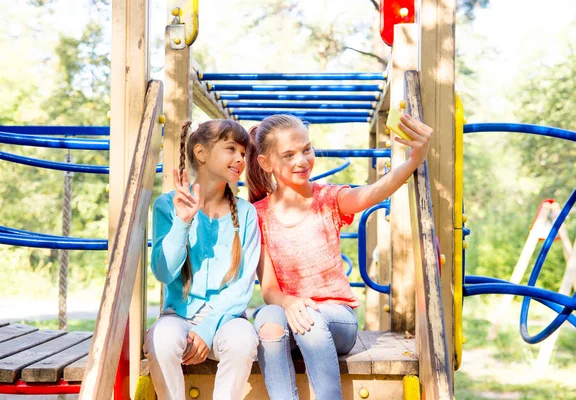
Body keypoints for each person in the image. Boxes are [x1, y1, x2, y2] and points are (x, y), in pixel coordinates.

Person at [246, 113, 433, 399]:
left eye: (306, 150)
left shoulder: (329, 200)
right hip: (290, 314)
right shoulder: (258, 216)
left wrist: (413, 160)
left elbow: (372, 192)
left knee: (310, 320)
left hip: (336, 320)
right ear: (266, 162)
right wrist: (289, 301)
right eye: (289, 154)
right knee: (268, 317)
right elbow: (269, 289)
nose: (301, 160)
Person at [144, 120, 261, 400]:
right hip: (178, 316)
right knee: (161, 339)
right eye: (231, 148)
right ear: (201, 152)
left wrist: (207, 328)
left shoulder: (246, 214)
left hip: (227, 319)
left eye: (244, 153)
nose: (239, 159)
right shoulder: (167, 205)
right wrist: (182, 222)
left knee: (243, 340)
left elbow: (243, 285)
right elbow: (163, 271)